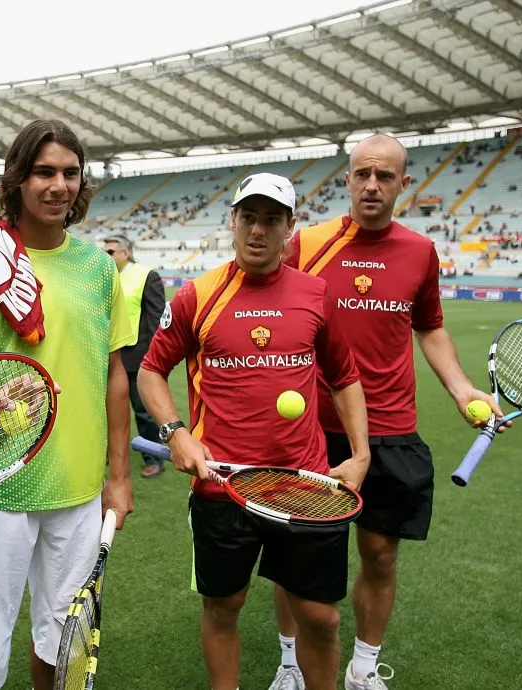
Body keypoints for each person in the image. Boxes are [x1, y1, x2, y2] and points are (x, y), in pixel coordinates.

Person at [277, 134, 507, 690]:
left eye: (385, 176)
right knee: (298, 559)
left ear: (406, 183)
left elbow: (429, 326)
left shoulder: (420, 252)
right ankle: (289, 664)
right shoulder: (308, 244)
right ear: (348, 179)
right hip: (314, 429)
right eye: (362, 174)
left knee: (379, 554)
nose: (372, 185)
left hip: (390, 427)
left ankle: (361, 667)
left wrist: (459, 389)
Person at [137, 172, 371, 690]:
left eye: (271, 220)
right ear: (234, 222)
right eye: (249, 217)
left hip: (305, 487)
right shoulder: (198, 295)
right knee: (224, 605)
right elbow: (151, 369)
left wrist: (360, 455)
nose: (258, 230)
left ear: (290, 227)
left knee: (321, 617)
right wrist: (176, 432)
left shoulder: (316, 294)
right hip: (222, 485)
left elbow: (345, 377)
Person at [0, 119, 135, 690]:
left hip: (78, 489)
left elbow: (114, 375)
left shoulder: (99, 268)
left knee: (65, 642)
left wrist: (118, 479)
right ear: (18, 179)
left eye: (70, 173)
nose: (58, 186)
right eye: (43, 172)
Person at [103, 234, 167, 478]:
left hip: (136, 358)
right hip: (106, 355)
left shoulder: (146, 275)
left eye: (110, 251)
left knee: (144, 412)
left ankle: (155, 458)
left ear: (125, 253)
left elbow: (157, 319)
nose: (106, 255)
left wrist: (151, 359)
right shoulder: (104, 276)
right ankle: (109, 454)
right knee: (106, 410)